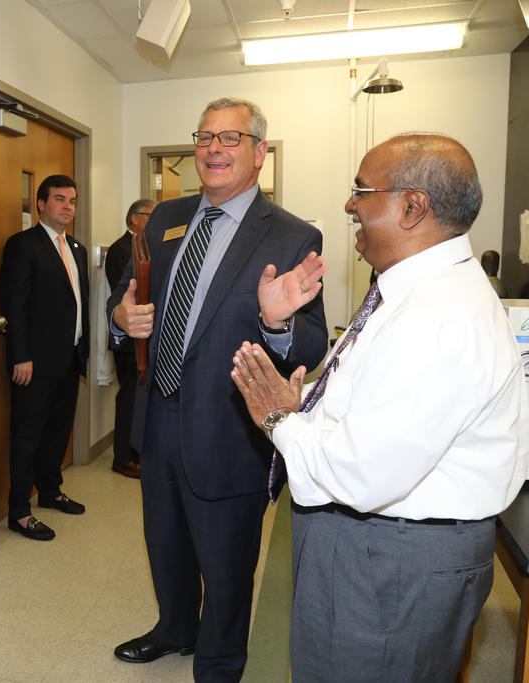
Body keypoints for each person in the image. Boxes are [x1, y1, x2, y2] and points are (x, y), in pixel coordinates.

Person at [231, 133, 527, 682]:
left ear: (414, 206)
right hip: (381, 549)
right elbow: (374, 410)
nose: (349, 205)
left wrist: (279, 419)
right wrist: (310, 413)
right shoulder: (414, 292)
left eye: (361, 191)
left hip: (388, 559)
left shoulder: (438, 315)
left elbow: (361, 472)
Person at [108, 97, 327, 680]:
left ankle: (221, 659)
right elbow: (130, 294)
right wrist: (119, 318)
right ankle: (174, 627)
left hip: (231, 430)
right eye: (205, 137)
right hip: (159, 418)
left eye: (230, 139)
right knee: (165, 541)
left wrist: (277, 324)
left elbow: (312, 344)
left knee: (228, 564)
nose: (213, 148)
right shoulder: (165, 218)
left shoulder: (293, 235)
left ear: (259, 153)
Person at [0, 174, 90, 541]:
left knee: (57, 432)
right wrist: (20, 355)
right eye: (59, 199)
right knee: (27, 436)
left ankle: (50, 491)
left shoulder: (77, 249)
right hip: (33, 364)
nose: (67, 206)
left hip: (69, 358)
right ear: (41, 204)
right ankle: (19, 511)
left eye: (72, 200)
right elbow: (15, 304)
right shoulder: (23, 245)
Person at [104, 198, 156, 478]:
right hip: (126, 338)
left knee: (138, 397)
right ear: (135, 218)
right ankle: (121, 458)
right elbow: (121, 295)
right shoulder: (121, 248)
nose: (155, 220)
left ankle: (134, 451)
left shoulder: (142, 246)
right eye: (151, 214)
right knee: (128, 397)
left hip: (142, 336)